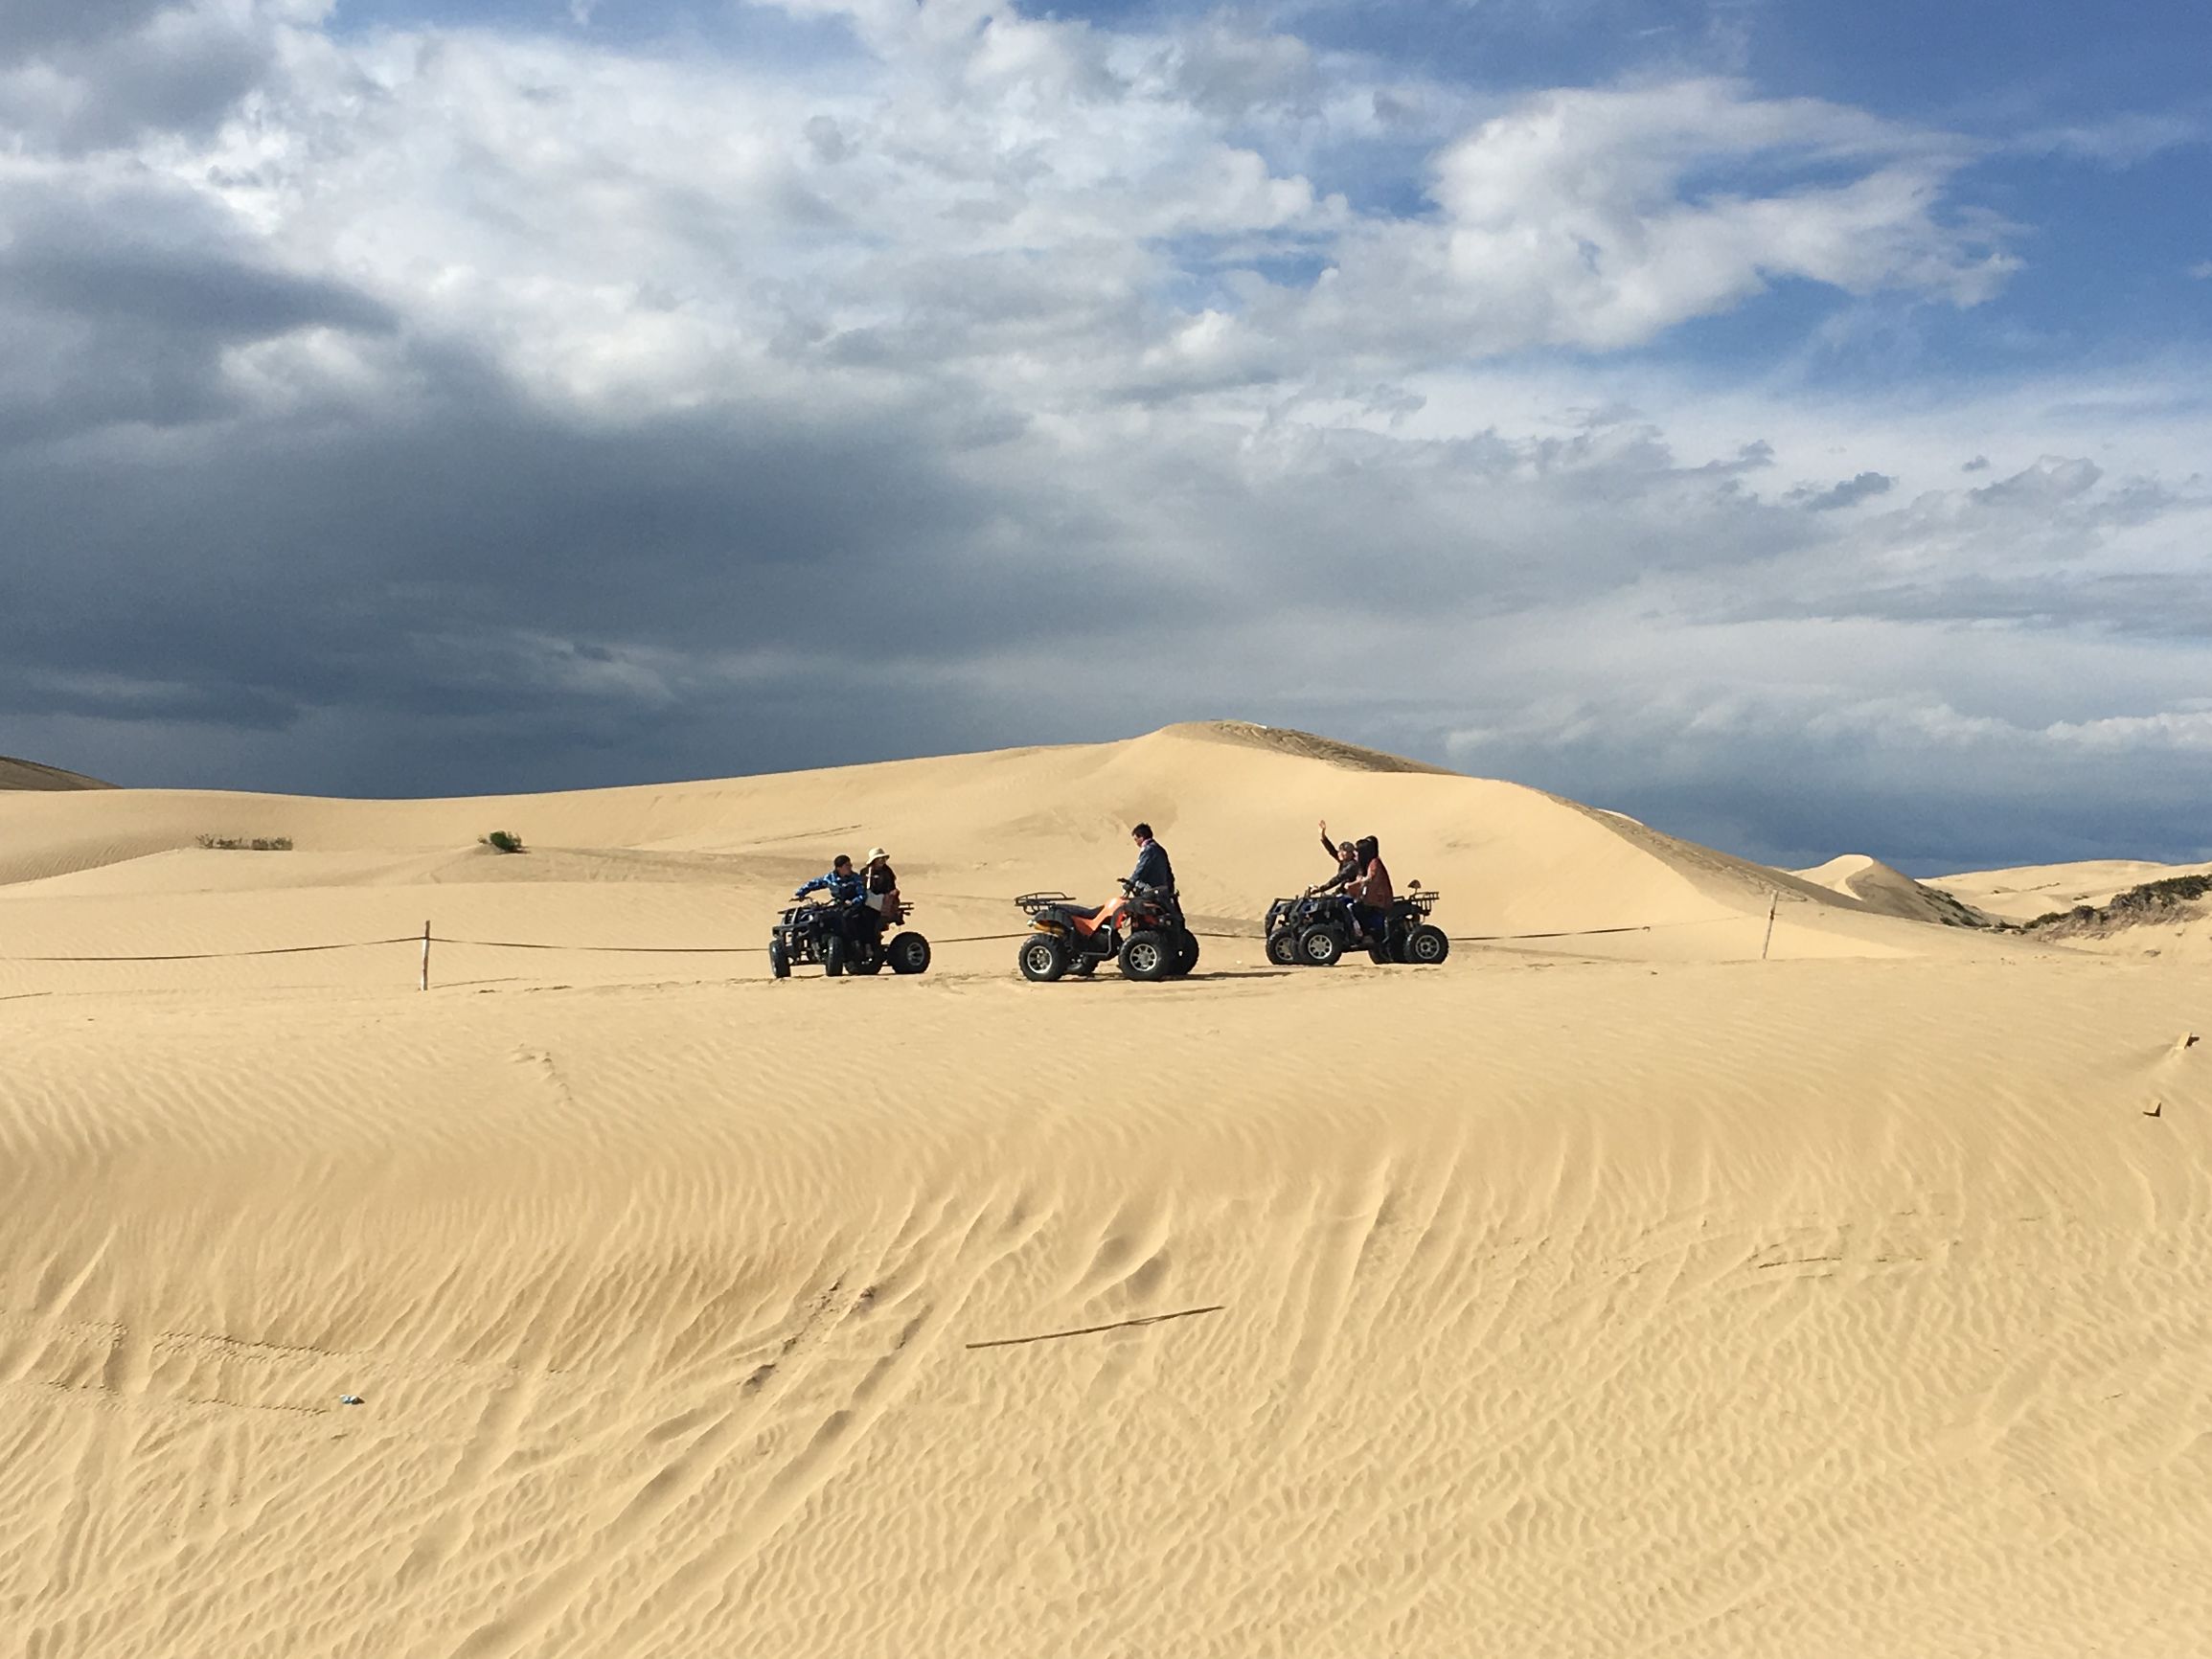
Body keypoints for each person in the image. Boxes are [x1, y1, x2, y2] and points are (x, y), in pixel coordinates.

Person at [794, 853, 869, 947]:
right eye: (847, 865)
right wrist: (801, 892)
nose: (850, 867)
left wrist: (853, 902)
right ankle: (817, 943)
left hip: (853, 906)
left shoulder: (855, 878)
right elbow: (815, 883)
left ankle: (854, 942)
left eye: (850, 865)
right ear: (839, 868)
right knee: (816, 917)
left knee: (846, 918)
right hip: (837, 905)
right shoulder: (830, 878)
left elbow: (862, 895)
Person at [1345, 834, 1393, 944]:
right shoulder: (1364, 865)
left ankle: (1366, 935)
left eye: (1357, 852)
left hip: (1379, 901)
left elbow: (1370, 878)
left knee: (1356, 910)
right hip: (1369, 900)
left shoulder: (1374, 862)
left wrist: (1352, 884)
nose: (1355, 854)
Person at [1128, 823, 1174, 893]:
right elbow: (1169, 873)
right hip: (1163, 891)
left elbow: (1141, 869)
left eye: (1136, 839)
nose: (1136, 843)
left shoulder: (1148, 850)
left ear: (1141, 837)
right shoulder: (1160, 849)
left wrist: (1130, 883)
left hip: (1151, 890)